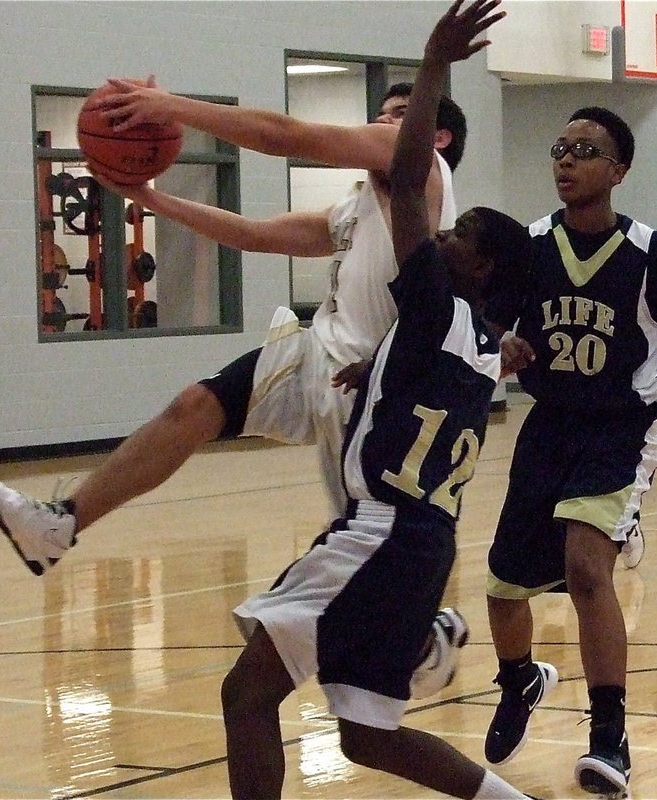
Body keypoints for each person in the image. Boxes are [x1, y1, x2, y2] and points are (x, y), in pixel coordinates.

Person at [219, 2, 537, 798]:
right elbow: (425, 378)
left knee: (245, 693)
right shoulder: (475, 348)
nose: (441, 236)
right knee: (366, 736)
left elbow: (402, 181)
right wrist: (376, 375)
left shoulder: (433, 308)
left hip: (378, 532)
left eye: (459, 236)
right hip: (424, 545)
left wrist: (432, 65)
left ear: (479, 268)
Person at [0, 68, 466, 570]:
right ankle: (60, 523)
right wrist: (149, 199)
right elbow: (255, 235)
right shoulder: (358, 207)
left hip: (374, 386)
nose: (382, 122)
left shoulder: (426, 171)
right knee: (193, 406)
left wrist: (172, 106)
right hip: (319, 358)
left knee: (366, 555)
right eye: (381, 114)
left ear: (436, 138)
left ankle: (419, 633)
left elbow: (286, 136)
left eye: (398, 116)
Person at [482, 107, 657, 797]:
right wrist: (504, 344)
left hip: (621, 423)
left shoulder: (648, 251)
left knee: (585, 567)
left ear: (617, 171)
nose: (565, 161)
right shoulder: (529, 245)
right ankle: (521, 679)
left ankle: (609, 735)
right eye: (559, 148)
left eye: (583, 151)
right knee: (501, 586)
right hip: (548, 422)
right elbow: (494, 322)